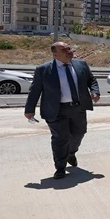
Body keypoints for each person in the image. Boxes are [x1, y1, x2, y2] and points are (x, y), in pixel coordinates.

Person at [24, 42, 101, 179]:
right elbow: (35, 90)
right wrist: (29, 109)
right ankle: (60, 167)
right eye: (64, 50)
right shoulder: (43, 69)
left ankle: (71, 152)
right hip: (56, 110)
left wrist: (95, 91)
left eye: (69, 48)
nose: (69, 51)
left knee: (79, 133)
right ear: (55, 54)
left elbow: (91, 80)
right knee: (60, 138)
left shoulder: (81, 64)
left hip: (78, 108)